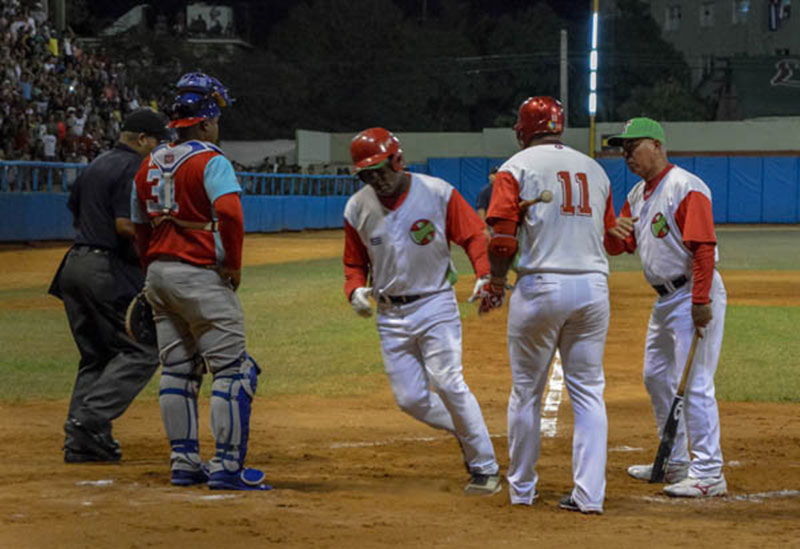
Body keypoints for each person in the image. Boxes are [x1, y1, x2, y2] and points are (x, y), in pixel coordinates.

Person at [131, 72, 270, 491]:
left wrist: (150, 269)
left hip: (158, 274)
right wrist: (235, 266)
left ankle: (184, 462)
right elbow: (230, 213)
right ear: (206, 121)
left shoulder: (149, 162)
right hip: (200, 273)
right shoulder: (212, 160)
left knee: (176, 371)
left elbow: (139, 225)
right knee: (233, 370)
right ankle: (227, 467)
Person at [343, 127, 501, 496]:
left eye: (381, 169)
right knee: (410, 399)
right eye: (367, 174)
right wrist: (354, 291)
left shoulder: (436, 193)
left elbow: (475, 235)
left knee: (448, 382)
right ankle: (465, 432)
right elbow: (353, 263)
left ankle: (485, 468)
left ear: (398, 161)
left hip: (435, 304)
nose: (376, 180)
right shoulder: (357, 208)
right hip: (390, 315)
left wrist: (482, 273)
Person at [481, 96, 617, 514]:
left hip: (541, 285)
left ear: (524, 128)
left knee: (526, 393)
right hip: (594, 288)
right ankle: (590, 495)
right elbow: (612, 238)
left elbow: (503, 239)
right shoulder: (595, 169)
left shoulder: (515, 167)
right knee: (590, 393)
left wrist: (498, 281)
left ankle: (522, 490)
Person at [604, 117, 727, 498]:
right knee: (656, 376)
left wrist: (701, 300)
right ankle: (675, 460)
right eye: (622, 150)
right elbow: (618, 247)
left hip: (693, 292)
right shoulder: (639, 194)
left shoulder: (685, 187)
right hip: (664, 299)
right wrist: (611, 230)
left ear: (657, 145)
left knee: (696, 384)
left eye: (633, 146)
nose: (627, 156)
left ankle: (708, 472)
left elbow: (703, 248)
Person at [48, 108, 169, 463]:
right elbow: (123, 225)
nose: (159, 150)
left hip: (74, 264)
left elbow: (77, 213)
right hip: (105, 268)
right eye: (157, 142)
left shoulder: (96, 164)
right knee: (142, 350)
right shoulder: (133, 167)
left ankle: (83, 440)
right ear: (142, 139)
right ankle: (88, 421)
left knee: (96, 355)